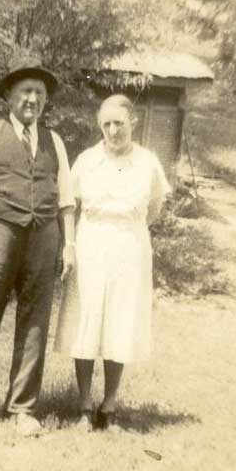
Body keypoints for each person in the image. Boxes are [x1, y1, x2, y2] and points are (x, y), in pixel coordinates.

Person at [0, 54, 75, 436]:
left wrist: (68, 244)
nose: (32, 99)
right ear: (8, 95)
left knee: (36, 320)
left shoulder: (54, 141)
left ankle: (23, 408)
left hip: (43, 237)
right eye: (25, 91)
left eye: (39, 93)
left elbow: (66, 198)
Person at [54, 93, 171, 431]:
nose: (113, 130)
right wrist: (72, 245)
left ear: (133, 122)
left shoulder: (148, 162)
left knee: (120, 321)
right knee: (87, 321)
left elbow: (155, 208)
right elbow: (69, 205)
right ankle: (85, 405)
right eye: (106, 124)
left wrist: (128, 231)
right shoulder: (87, 160)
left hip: (130, 248)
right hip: (92, 246)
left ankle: (110, 404)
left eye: (119, 122)